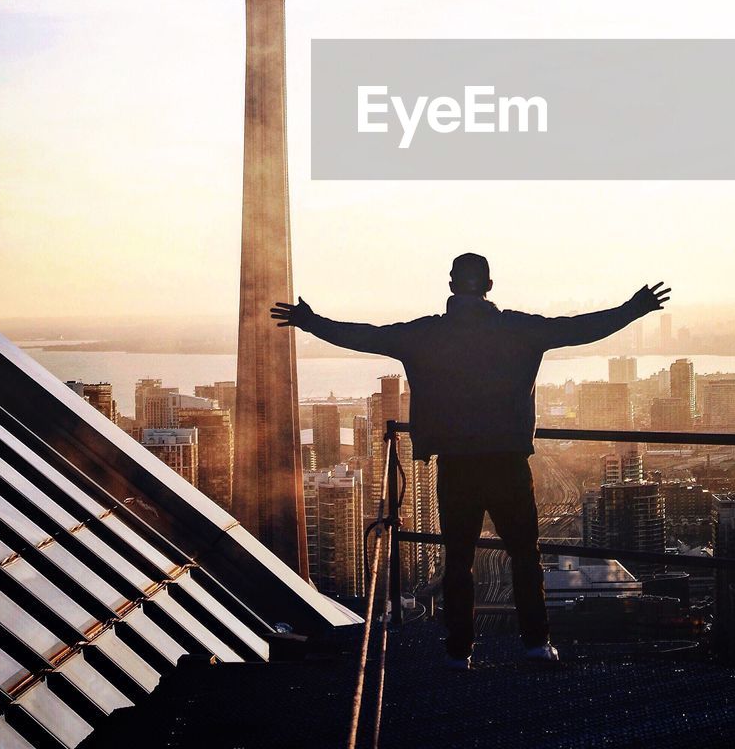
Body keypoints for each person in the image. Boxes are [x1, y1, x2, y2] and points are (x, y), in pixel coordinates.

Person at [272, 254, 670, 670]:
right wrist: (634, 308)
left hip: (456, 464)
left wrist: (311, 321)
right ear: (489, 285)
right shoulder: (518, 329)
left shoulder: (427, 334)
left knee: (458, 560)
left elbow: (366, 336)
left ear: (450, 285)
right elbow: (579, 328)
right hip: (507, 463)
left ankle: (459, 651)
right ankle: (536, 644)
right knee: (524, 555)